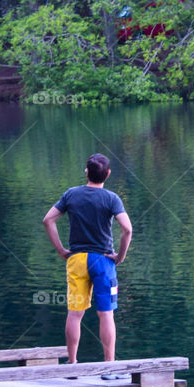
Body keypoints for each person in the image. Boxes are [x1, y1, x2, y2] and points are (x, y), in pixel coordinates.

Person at [43, 153, 132, 366]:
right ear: (108, 174)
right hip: (103, 261)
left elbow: (48, 220)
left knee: (75, 314)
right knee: (106, 314)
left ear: (86, 172)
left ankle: (72, 362)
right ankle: (108, 365)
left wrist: (61, 250)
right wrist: (120, 256)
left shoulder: (71, 195)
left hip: (77, 259)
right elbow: (127, 229)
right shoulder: (111, 198)